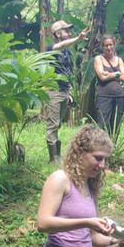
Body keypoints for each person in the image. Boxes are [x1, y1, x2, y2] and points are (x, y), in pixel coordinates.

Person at [44, 19, 89, 163]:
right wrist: (78, 39)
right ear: (58, 33)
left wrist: (68, 93)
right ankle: (53, 158)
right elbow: (61, 45)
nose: (69, 33)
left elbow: (66, 73)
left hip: (63, 91)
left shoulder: (67, 52)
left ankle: (57, 155)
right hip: (53, 90)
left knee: (57, 124)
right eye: (66, 31)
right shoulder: (52, 47)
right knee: (52, 124)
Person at [93, 34, 124, 134]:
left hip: (119, 97)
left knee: (115, 126)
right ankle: (102, 148)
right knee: (103, 125)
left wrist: (110, 74)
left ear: (114, 45)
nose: (108, 48)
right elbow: (102, 77)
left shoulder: (119, 60)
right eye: (106, 45)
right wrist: (117, 74)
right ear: (102, 47)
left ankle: (113, 147)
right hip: (104, 96)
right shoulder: (99, 59)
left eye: (110, 45)